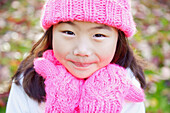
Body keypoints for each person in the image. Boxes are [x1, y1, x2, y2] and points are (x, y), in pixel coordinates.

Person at [6, 0, 146, 113]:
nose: (82, 50)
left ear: (118, 39)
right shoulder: (28, 82)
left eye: (98, 35)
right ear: (51, 33)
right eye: (69, 32)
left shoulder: (125, 86)